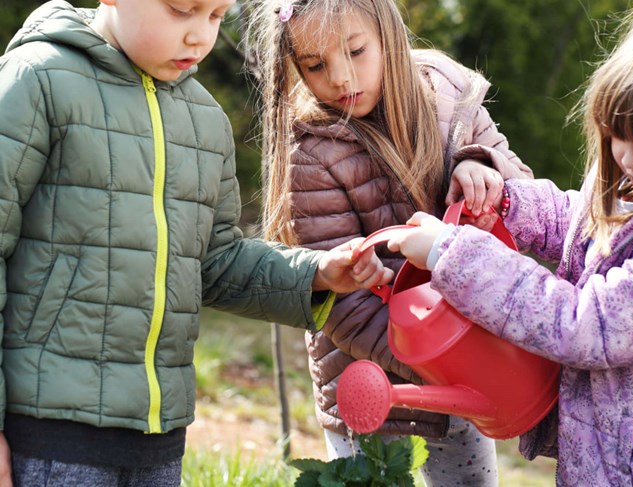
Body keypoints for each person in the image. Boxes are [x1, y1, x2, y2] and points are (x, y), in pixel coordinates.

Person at [0, 0, 395, 486]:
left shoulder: (203, 120)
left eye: (214, 17)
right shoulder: (37, 80)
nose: (199, 37)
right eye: (181, 10)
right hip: (47, 433)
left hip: (160, 438)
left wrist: (314, 272)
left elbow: (216, 260)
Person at [386, 0, 633, 485]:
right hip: (602, 463)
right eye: (619, 134)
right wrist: (505, 203)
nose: (630, 158)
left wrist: (452, 253)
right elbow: (580, 223)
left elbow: (583, 323)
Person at [244, 0, 533, 484]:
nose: (339, 78)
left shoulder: (448, 99)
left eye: (355, 51)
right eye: (315, 65)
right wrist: (443, 364)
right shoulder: (313, 154)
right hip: (372, 389)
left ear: (388, 35)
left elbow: (524, 196)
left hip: (463, 370)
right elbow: (342, 307)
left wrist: (482, 166)